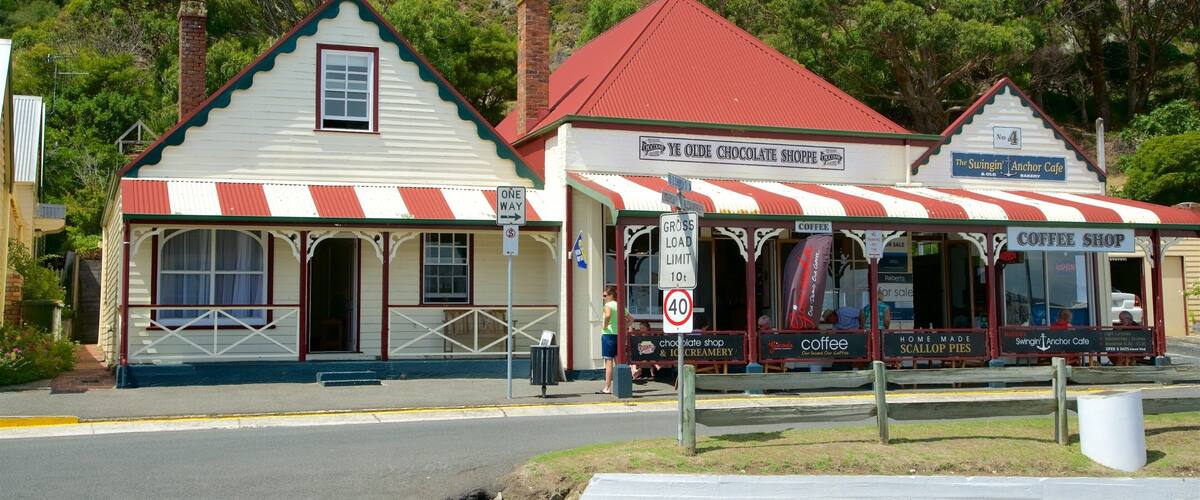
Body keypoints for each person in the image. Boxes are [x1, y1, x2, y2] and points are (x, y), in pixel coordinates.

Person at [599, 286, 619, 395]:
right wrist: (623, 327)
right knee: (617, 361)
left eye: (605, 295)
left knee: (608, 362)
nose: (603, 298)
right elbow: (631, 319)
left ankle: (607, 387)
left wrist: (605, 326)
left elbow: (607, 315)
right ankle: (620, 386)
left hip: (608, 335)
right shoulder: (619, 305)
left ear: (611, 295)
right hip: (617, 335)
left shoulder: (607, 305)